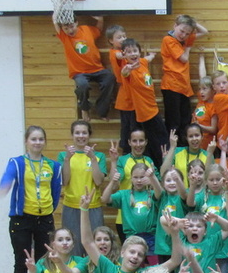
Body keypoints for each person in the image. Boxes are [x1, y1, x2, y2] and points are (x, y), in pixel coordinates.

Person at [0, 126, 62, 273]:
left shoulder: (53, 166)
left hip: (45, 219)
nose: (37, 142)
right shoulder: (17, 162)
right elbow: (8, 176)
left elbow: (56, 191)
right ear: (26, 141)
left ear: (45, 142)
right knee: (22, 259)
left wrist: (49, 209)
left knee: (43, 260)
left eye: (41, 139)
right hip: (22, 219)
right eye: (33, 139)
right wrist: (4, 186)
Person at [58, 120, 107, 257]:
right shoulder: (63, 155)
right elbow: (64, 181)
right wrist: (67, 160)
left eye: (84, 133)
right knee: (72, 248)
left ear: (89, 135)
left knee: (95, 248)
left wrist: (92, 159)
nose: (81, 136)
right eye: (77, 133)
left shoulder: (99, 156)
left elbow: (98, 181)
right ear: (72, 135)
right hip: (71, 207)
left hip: (93, 207)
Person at [54, 16, 115, 121]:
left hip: (97, 69)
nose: (70, 30)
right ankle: (84, 108)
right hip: (79, 73)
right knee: (82, 85)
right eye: (66, 28)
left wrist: (100, 20)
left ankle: (102, 111)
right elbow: (56, 25)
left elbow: (98, 30)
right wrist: (55, 19)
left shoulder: (86, 29)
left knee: (109, 78)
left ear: (76, 23)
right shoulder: (65, 37)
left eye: (72, 26)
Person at [161, 14, 208, 143]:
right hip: (171, 86)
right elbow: (184, 58)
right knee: (174, 122)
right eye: (181, 31)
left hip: (183, 86)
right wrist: (188, 46)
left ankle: (184, 147)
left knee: (185, 121)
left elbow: (205, 32)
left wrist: (192, 22)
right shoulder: (168, 40)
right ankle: (173, 149)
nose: (183, 35)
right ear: (175, 26)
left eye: (187, 33)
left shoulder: (186, 38)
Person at [120, 38, 166, 168]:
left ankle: (161, 168)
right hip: (144, 114)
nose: (133, 54)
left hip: (153, 110)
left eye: (135, 51)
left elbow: (147, 59)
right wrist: (127, 69)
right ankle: (155, 168)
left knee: (160, 141)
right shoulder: (128, 70)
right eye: (129, 52)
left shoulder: (142, 63)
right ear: (124, 54)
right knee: (154, 144)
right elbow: (124, 73)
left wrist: (151, 55)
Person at [105, 24, 135, 152]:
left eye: (124, 36)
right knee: (126, 128)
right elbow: (119, 56)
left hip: (133, 92)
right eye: (119, 37)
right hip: (124, 94)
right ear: (111, 41)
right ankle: (125, 152)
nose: (123, 39)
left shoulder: (124, 52)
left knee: (135, 127)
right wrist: (129, 53)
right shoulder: (114, 52)